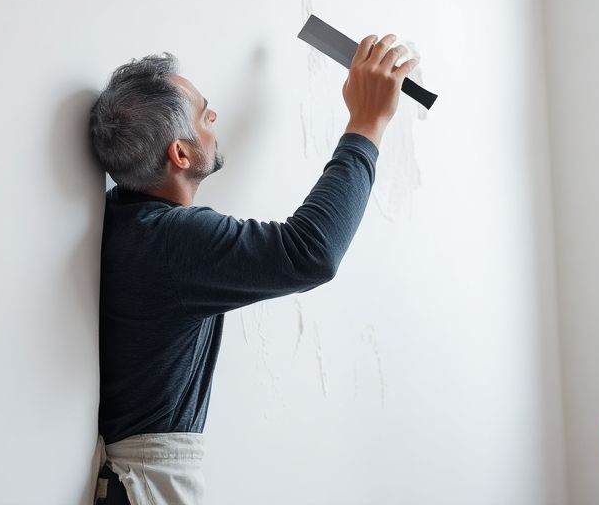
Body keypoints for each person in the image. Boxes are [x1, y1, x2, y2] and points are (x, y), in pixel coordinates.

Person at [86, 33, 419, 505]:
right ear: (179, 155)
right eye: (205, 114)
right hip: (145, 486)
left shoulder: (132, 222)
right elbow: (310, 252)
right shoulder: (170, 243)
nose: (215, 116)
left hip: (135, 479)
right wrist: (367, 124)